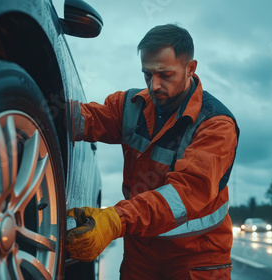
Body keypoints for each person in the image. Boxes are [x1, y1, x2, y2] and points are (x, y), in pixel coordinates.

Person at [67, 23, 239, 279]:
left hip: (196, 257)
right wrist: (42, 104)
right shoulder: (131, 106)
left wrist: (117, 220)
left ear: (190, 68)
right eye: (147, 74)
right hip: (141, 254)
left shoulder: (215, 126)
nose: (154, 85)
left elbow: (183, 195)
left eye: (165, 75)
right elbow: (86, 119)